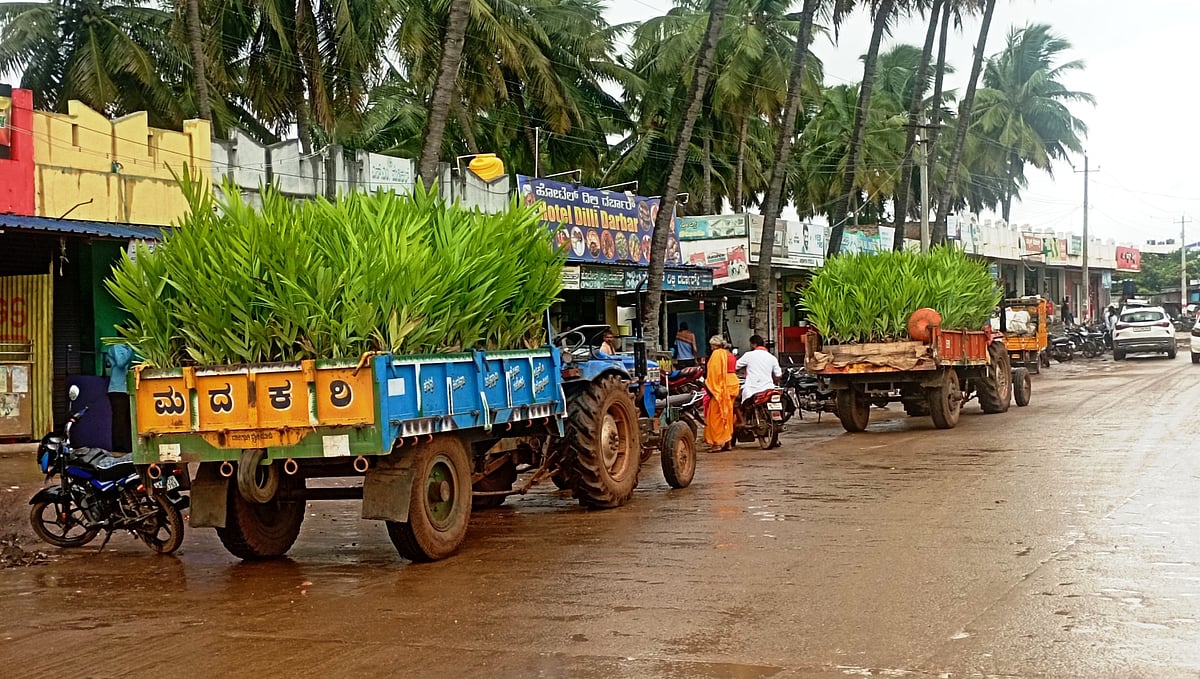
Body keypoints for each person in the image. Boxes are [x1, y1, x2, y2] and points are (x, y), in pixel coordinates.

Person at [703, 336, 735, 452]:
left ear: (715, 345)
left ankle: (717, 443)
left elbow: (714, 373)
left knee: (716, 417)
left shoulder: (717, 354)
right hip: (730, 387)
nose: (710, 348)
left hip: (720, 389)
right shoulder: (728, 354)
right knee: (727, 415)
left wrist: (712, 389)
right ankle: (728, 442)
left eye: (711, 345)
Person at [736, 334, 782, 408]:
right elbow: (778, 374)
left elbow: (735, 366)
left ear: (754, 345)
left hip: (751, 389)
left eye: (750, 344)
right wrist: (773, 381)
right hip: (768, 388)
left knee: (738, 404)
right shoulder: (772, 357)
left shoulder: (748, 355)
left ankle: (743, 418)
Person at [106, 344, 134, 453]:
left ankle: (128, 447)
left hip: (127, 389)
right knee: (119, 420)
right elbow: (121, 363)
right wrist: (131, 350)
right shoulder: (116, 348)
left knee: (127, 419)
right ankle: (119, 447)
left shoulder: (128, 350)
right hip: (118, 388)